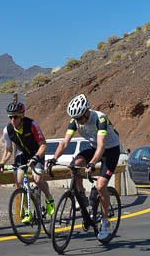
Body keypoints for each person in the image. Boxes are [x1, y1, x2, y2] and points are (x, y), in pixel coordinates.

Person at [47, 94, 121, 241]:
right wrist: (53, 159)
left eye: (81, 117)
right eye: (76, 119)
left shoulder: (100, 119)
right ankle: (82, 197)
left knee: (100, 186)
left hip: (110, 150)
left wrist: (92, 163)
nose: (79, 121)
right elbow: (64, 143)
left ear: (87, 111)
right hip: (94, 147)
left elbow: (101, 146)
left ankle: (105, 222)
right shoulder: (74, 121)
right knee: (74, 165)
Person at [0, 101, 55, 221]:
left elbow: (43, 145)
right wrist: (2, 163)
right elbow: (8, 150)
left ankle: (49, 198)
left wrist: (36, 158)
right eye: (10, 117)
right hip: (22, 153)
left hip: (36, 152)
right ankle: (27, 211)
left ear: (22, 116)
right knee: (18, 182)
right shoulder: (7, 130)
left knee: (38, 179)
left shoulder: (32, 124)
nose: (13, 119)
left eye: (15, 117)